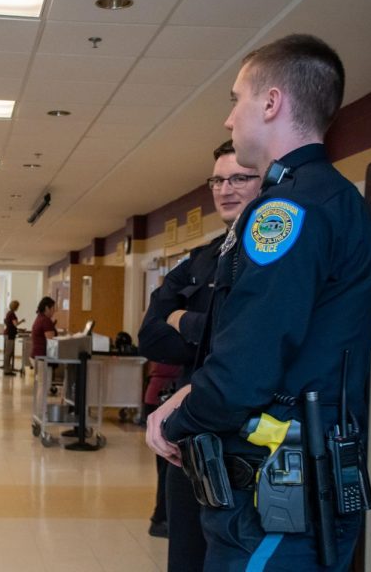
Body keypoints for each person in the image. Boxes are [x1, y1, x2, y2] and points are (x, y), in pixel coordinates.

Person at [146, 34, 371, 571]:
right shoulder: (332, 199)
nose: (230, 119)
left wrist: (174, 424)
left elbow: (246, 367)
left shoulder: (287, 213)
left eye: (237, 99)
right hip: (295, 484)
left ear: (271, 103)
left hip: (278, 495)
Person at [137, 140, 262, 563]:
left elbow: (248, 340)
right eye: (218, 180)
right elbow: (151, 335)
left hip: (248, 443)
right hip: (189, 439)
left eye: (240, 178)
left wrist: (185, 321)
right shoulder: (203, 258)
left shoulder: (273, 253)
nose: (225, 189)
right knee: (186, 556)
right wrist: (204, 327)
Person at [2, 300, 23, 376]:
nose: (18, 307)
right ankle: (7, 370)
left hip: (8, 334)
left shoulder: (9, 313)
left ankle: (7, 368)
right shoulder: (12, 314)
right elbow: (15, 324)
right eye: (18, 306)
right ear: (15, 306)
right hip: (10, 334)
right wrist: (22, 321)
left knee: (8, 352)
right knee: (8, 353)